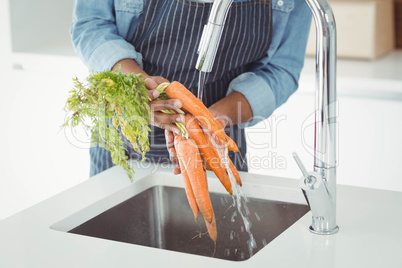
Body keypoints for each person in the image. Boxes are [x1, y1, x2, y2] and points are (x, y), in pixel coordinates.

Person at [70, 0, 312, 177]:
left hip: (216, 144)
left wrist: (209, 122)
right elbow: (91, 24)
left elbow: (282, 68)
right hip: (122, 145)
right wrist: (138, 89)